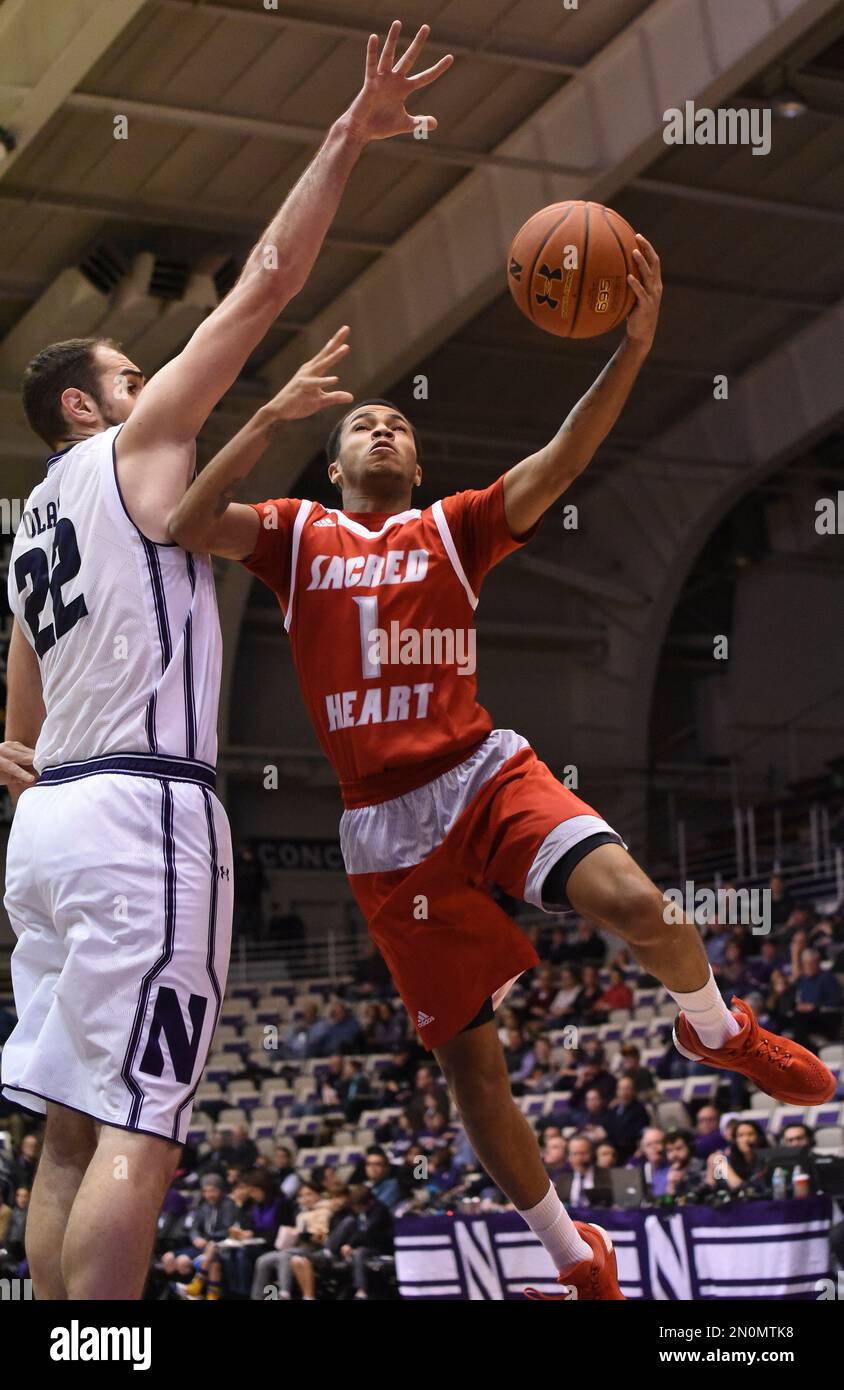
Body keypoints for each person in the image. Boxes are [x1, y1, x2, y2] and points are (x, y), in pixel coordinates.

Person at [166, 45, 834, 1309]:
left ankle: (715, 1027)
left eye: (398, 422)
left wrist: (632, 347)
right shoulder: (300, 538)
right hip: (381, 830)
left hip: (481, 774)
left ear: (415, 466)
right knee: (472, 1069)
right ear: (331, 461)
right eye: (361, 421)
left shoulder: (454, 527)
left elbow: (567, 453)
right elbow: (191, 523)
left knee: (638, 901)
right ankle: (572, 1260)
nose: (382, 425)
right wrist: (263, 419)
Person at [0, 23, 454, 1303]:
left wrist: (45, 804)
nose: (156, 389)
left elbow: (13, 727)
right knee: (143, 1124)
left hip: (52, 832)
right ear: (90, 407)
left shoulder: (32, 523)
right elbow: (262, 279)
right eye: (132, 376)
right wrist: (342, 137)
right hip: (142, 808)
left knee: (70, 1129)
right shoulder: (132, 448)